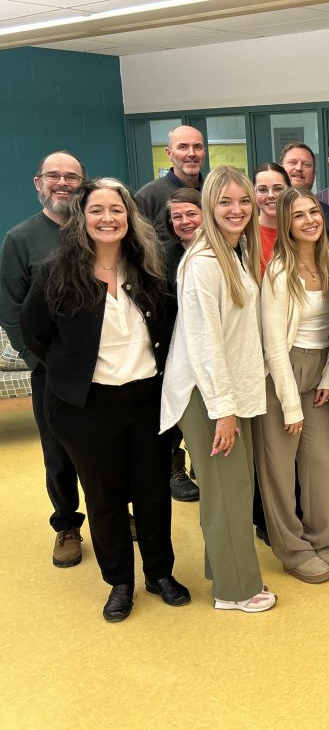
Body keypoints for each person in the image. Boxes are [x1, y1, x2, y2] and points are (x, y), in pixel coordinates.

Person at [21, 177, 187, 622]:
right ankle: (120, 582)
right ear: (83, 218)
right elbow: (35, 331)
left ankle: (159, 574)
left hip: (147, 399)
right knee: (105, 496)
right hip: (86, 407)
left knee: (153, 493)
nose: (108, 218)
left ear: (129, 218)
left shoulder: (149, 270)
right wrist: (69, 371)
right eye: (97, 210)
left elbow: (168, 331)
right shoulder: (57, 272)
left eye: (117, 210)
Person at [160, 165, 277, 613]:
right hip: (209, 396)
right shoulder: (204, 264)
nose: (237, 209)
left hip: (226, 392)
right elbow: (204, 342)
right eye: (225, 201)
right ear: (208, 205)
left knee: (234, 489)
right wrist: (223, 410)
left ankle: (223, 571)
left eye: (243, 201)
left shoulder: (234, 252)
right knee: (227, 493)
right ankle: (237, 590)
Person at [0, 150, 87, 567]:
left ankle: (115, 511)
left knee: (107, 446)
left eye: (72, 177)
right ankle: (67, 525)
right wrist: (36, 360)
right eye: (54, 176)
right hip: (50, 370)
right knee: (58, 451)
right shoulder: (21, 239)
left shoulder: (98, 229)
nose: (63, 184)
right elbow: (10, 306)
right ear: (39, 183)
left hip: (103, 367)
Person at [253, 186, 329, 584]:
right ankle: (291, 549)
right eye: (299, 215)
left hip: (320, 371)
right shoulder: (278, 271)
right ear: (287, 225)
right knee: (279, 469)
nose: (310, 221)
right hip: (282, 375)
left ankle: (319, 538)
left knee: (323, 462)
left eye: (314, 212)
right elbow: (273, 345)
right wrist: (290, 406)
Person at [162, 187, 203, 503]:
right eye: (177, 217)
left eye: (192, 213)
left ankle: (199, 464)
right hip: (173, 347)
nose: (185, 221)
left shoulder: (228, 250)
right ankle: (176, 469)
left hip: (206, 347)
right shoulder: (164, 256)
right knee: (179, 412)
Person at [134, 125, 206, 237]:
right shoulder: (148, 196)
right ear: (169, 153)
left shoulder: (214, 192)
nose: (192, 153)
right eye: (183, 147)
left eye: (197, 147)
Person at [279, 142, 329, 249]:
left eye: (306, 164)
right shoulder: (269, 214)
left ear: (314, 175)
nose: (299, 168)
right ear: (280, 170)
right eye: (292, 162)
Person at [253, 162, 290, 274]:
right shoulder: (245, 232)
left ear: (289, 190)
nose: (270, 195)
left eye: (278, 189)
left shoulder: (300, 229)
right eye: (262, 190)